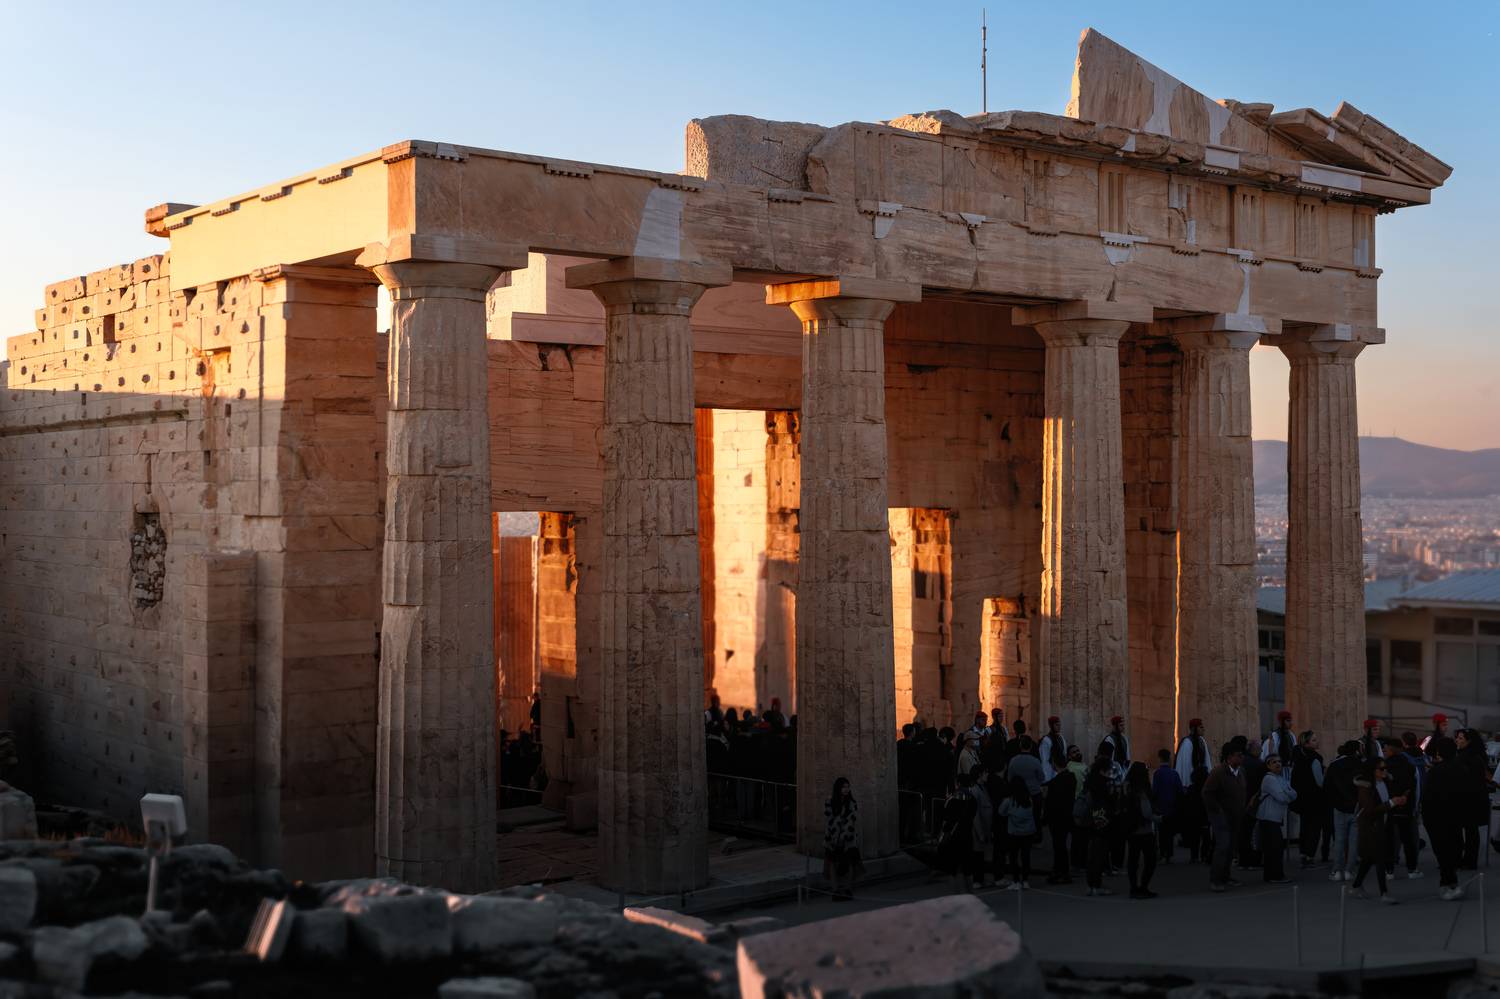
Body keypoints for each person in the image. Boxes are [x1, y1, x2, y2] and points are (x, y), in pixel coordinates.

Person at [1350, 757, 1406, 904]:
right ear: (1372, 770)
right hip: (1371, 826)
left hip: (1383, 824)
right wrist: (1391, 803)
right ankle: (1384, 893)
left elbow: (1386, 802)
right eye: (1381, 769)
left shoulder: (1385, 782)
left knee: (1369, 858)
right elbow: (1370, 810)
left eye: (1385, 768)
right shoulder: (1366, 787)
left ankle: (1356, 886)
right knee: (1379, 858)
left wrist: (1396, 801)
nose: (1384, 771)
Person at [1202, 743, 1247, 892]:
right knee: (1223, 846)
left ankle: (1225, 876)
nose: (1241, 758)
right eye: (1238, 755)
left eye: (1242, 755)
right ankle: (1215, 879)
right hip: (1221, 816)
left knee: (1231, 847)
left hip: (1235, 815)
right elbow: (1207, 793)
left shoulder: (1240, 772)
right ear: (1229, 757)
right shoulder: (1218, 772)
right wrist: (1218, 810)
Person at [1424, 737, 1465, 900]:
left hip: (1437, 816)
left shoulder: (1436, 771)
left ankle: (1447, 883)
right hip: (1453, 816)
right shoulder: (1460, 769)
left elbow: (1428, 797)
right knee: (1453, 849)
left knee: (1443, 851)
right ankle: (1450, 882)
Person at [1381, 738, 1422, 879]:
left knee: (1389, 840)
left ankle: (1389, 870)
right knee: (1408, 839)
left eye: (1386, 748)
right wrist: (1414, 805)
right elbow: (1415, 787)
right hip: (1406, 807)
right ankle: (1412, 869)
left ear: (1392, 749)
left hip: (1389, 806)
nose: (1384, 751)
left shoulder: (1384, 766)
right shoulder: (1410, 765)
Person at [1255, 754, 1297, 883]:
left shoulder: (1280, 778)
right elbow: (1283, 797)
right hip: (1268, 818)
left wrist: (1286, 794)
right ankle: (1275, 876)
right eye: (1274, 762)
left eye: (1279, 761)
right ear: (1268, 765)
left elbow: (1294, 794)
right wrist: (1286, 794)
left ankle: (1272, 875)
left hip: (1275, 818)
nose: (1278, 764)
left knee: (1275, 848)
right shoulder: (1269, 779)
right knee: (1274, 848)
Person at [1325, 740, 1362, 882]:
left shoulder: (1335, 765)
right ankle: (1349, 870)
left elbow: (1327, 786)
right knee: (1353, 840)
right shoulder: (1360, 765)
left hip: (1339, 806)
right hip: (1356, 807)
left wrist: (1334, 802)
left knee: (1339, 839)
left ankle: (1337, 870)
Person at [1290, 731, 1328, 868]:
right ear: (1306, 743)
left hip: (1301, 798)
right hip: (1314, 799)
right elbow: (1320, 781)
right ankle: (1310, 856)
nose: (1317, 742)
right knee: (1314, 828)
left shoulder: (1298, 757)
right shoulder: (1315, 758)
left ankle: (1303, 854)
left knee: (1305, 826)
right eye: (1314, 740)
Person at [1082, 759, 1118, 897]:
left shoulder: (1090, 781)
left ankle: (1091, 884)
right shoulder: (1105, 784)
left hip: (1091, 820)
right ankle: (1096, 885)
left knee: (1092, 853)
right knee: (1100, 854)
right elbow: (1111, 801)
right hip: (1103, 820)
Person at [1122, 762, 1159, 899]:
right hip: (1144, 830)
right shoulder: (1142, 791)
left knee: (1133, 860)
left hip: (1131, 829)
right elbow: (1147, 812)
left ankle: (1134, 888)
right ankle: (1143, 886)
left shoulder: (1127, 788)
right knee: (1150, 860)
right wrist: (1157, 818)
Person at [938, 772, 979, 893]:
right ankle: (970, 893)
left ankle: (954, 895)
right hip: (967, 836)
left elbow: (946, 820)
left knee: (952, 869)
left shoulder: (952, 800)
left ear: (958, 783)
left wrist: (942, 834)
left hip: (953, 837)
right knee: (968, 868)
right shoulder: (973, 800)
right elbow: (972, 816)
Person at [823, 777, 863, 900]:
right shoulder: (829, 801)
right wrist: (833, 836)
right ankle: (835, 890)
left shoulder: (852, 802)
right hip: (832, 837)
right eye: (844, 787)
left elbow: (851, 821)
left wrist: (843, 836)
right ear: (838, 788)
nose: (846, 789)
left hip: (848, 838)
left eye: (848, 787)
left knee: (850, 862)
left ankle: (848, 889)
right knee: (832, 863)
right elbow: (828, 819)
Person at [1456, 727, 1489, 869]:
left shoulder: (1469, 757)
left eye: (1461, 738)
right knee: (1471, 830)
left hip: (1470, 799)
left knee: (1470, 831)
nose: (1457, 740)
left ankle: (1469, 860)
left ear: (1469, 741)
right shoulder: (1472, 755)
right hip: (1473, 798)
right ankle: (1468, 859)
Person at [997, 774, 1037, 890]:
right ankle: (1025, 880)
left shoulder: (1008, 801)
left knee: (1013, 857)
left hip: (1014, 832)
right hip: (1028, 832)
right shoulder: (1029, 800)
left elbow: (1001, 812)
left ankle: (1016, 880)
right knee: (1026, 856)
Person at [1043, 763, 1077, 884]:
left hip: (1056, 817)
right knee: (1061, 845)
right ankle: (1061, 871)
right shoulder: (1071, 778)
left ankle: (1061, 871)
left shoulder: (1055, 782)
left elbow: (1050, 802)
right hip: (1066, 816)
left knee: (1059, 846)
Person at [1238, 737, 1266, 871]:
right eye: (1259, 748)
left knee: (1244, 832)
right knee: (1252, 833)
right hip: (1254, 802)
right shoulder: (1259, 764)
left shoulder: (1243, 762)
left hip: (1242, 801)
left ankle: (1243, 860)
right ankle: (1252, 860)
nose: (1261, 751)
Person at [1152, 748, 1183, 863]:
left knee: (1162, 832)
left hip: (1160, 807)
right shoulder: (1174, 773)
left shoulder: (1157, 774)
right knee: (1169, 832)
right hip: (1172, 807)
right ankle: (1169, 854)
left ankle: (1163, 853)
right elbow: (1179, 790)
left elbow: (1155, 791)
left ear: (1160, 758)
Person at [970, 764, 996, 888]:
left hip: (985, 826)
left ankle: (980, 879)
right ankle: (977, 879)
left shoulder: (982, 788)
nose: (987, 774)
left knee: (980, 854)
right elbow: (975, 815)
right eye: (985, 772)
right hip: (979, 828)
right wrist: (980, 833)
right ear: (979, 775)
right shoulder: (976, 790)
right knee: (978, 855)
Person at [1176, 719, 1211, 791]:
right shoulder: (1187, 743)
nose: (1203, 729)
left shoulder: (1202, 741)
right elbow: (1186, 767)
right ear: (1193, 728)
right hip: (1191, 784)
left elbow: (1207, 761)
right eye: (1200, 727)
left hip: (1201, 781)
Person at [1039, 717, 1069, 785]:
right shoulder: (1046, 740)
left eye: (1059, 725)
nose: (1059, 727)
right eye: (1056, 725)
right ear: (1051, 726)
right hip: (1050, 774)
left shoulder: (1061, 738)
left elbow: (1064, 754)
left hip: (1061, 772)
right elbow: (1045, 760)